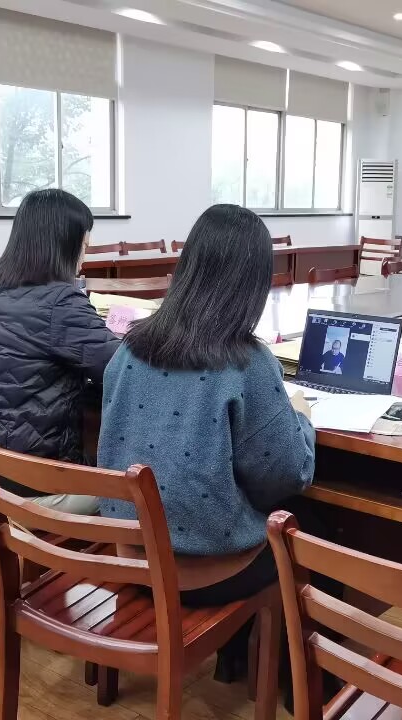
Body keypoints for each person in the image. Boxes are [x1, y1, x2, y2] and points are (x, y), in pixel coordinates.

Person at [97, 204, 316, 606]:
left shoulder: (128, 348)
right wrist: (302, 420)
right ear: (254, 284)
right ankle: (287, 649)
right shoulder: (248, 363)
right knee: (318, 532)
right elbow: (287, 476)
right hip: (207, 571)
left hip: (130, 554)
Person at [0, 189, 120, 514]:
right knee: (143, 490)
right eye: (84, 244)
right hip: (30, 487)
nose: (86, 254)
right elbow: (121, 368)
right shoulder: (59, 302)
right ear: (65, 244)